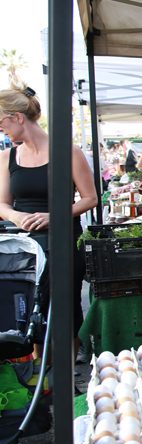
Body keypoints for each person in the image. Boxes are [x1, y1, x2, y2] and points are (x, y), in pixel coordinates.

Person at [0, 86, 98, 360]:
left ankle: (67, 377)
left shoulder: (68, 151)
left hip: (64, 241)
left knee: (65, 308)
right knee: (31, 307)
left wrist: (55, 215)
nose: (1, 129)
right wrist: (15, 216)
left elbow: (90, 198)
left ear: (18, 117)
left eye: (1, 122)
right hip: (26, 247)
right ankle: (40, 377)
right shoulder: (8, 157)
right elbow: (2, 205)